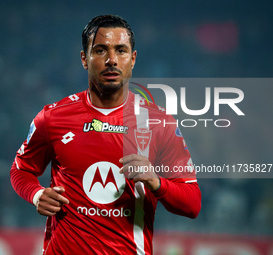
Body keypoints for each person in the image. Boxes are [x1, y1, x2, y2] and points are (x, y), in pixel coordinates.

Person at [10, 14, 201, 255]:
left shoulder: (159, 123)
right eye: (100, 50)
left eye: (121, 50)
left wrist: (156, 182)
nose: (112, 60)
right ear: (84, 59)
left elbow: (192, 203)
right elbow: (21, 169)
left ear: (133, 59)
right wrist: (36, 194)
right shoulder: (52, 117)